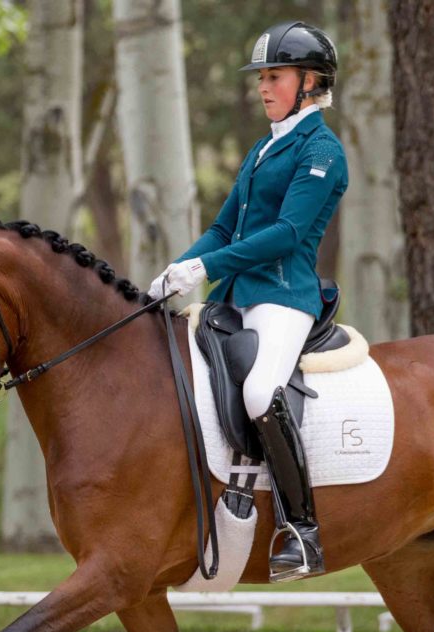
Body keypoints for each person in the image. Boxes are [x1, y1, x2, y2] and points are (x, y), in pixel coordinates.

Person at [148, 21, 347, 582]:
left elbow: (286, 233)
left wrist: (206, 268)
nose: (263, 87)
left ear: (311, 82)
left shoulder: (322, 150)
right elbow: (223, 228)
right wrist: (178, 269)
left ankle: (302, 532)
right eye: (261, 77)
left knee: (262, 390)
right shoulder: (264, 148)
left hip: (284, 295)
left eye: (274, 76)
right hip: (235, 297)